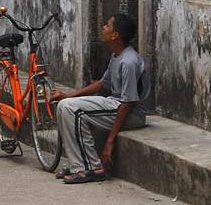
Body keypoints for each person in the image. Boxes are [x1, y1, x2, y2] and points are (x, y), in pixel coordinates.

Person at [50, 13, 150, 184]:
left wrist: (109, 143)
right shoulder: (116, 56)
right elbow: (103, 84)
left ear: (115, 35)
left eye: (108, 25)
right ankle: (78, 164)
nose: (103, 27)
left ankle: (92, 168)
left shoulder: (129, 62)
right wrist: (67, 95)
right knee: (63, 105)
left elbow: (127, 103)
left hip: (131, 114)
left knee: (72, 109)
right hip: (115, 104)